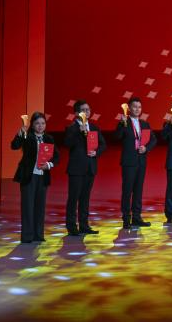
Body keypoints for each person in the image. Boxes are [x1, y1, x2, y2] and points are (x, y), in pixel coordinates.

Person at [12, 112, 58, 243]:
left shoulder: (49, 138)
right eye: (37, 123)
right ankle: (27, 236)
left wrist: (49, 165)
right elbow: (14, 146)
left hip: (42, 177)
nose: (40, 126)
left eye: (43, 123)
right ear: (32, 125)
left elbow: (56, 156)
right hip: (29, 176)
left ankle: (38, 235)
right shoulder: (28, 136)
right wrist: (21, 132)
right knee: (28, 206)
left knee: (40, 207)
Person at [114, 97, 157, 228]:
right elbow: (117, 137)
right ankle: (126, 219)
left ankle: (137, 217)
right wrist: (121, 124)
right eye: (134, 107)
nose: (137, 109)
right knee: (127, 191)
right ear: (129, 108)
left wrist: (146, 148)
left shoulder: (144, 124)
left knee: (138, 190)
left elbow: (153, 140)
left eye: (139, 107)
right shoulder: (124, 122)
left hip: (141, 161)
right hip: (129, 162)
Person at [63, 99, 105, 236]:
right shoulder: (71, 128)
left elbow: (103, 144)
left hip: (90, 167)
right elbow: (67, 143)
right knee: (73, 198)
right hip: (76, 169)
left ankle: (84, 225)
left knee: (85, 198)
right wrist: (78, 132)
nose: (86, 112)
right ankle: (71, 226)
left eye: (88, 110)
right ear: (76, 113)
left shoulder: (94, 127)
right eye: (83, 110)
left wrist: (96, 152)